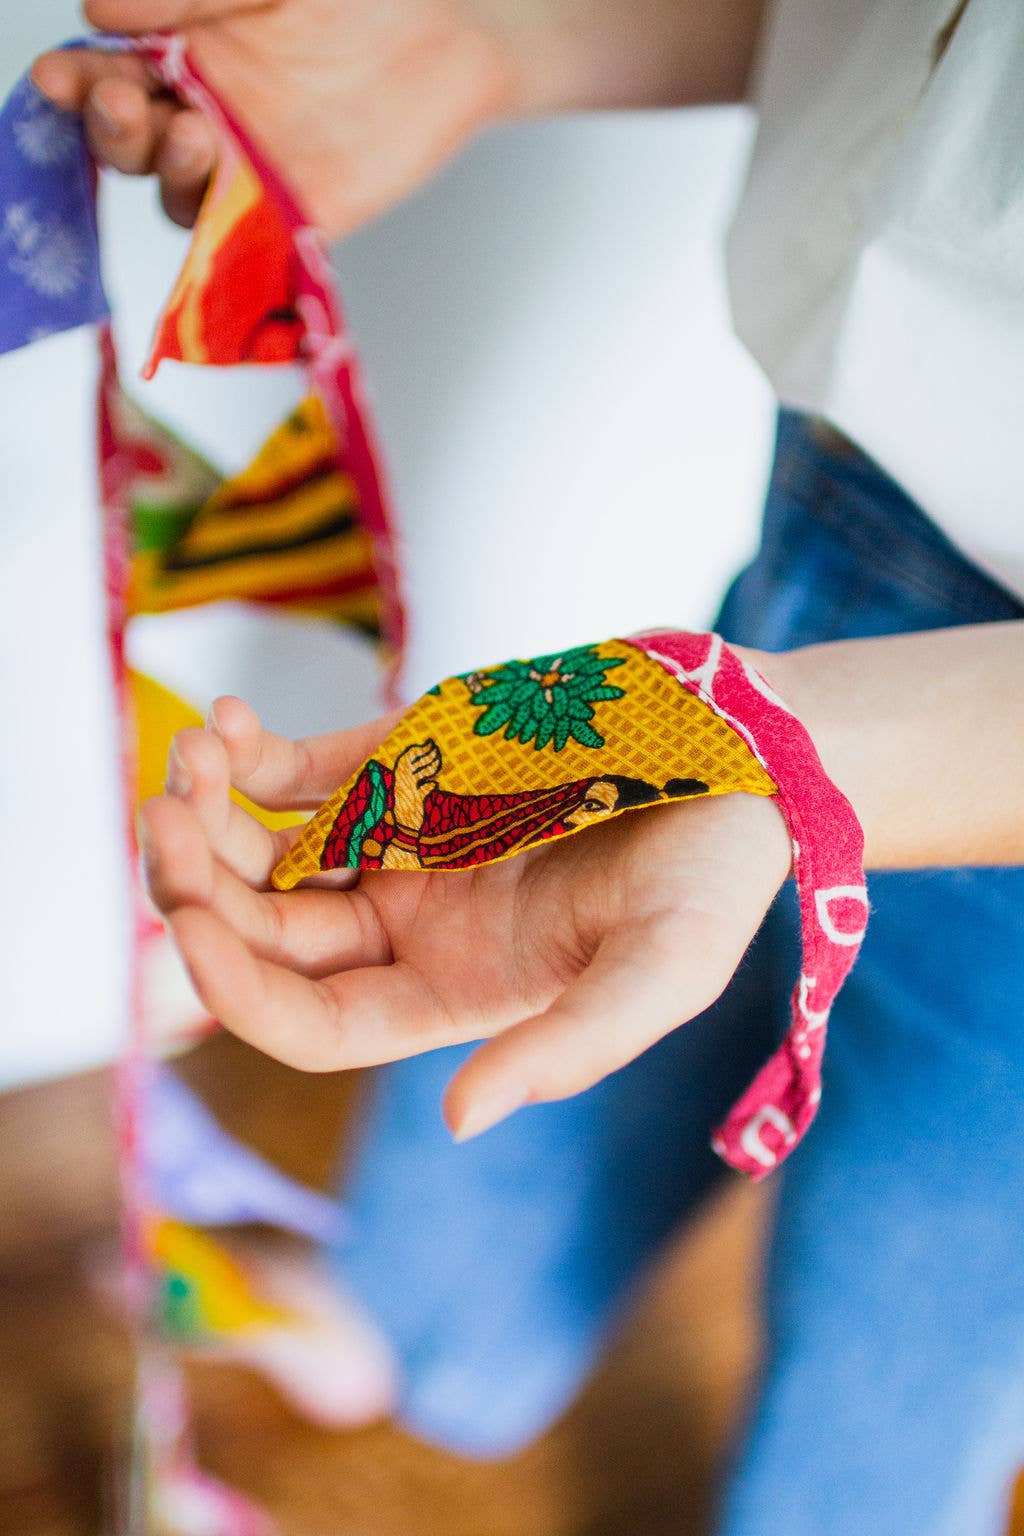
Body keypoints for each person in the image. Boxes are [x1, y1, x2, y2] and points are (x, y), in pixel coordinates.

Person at [35, 2, 1024, 1531]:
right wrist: (481, 46)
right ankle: (419, 1321)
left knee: (914, 1306)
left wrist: (789, 760)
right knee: (552, 975)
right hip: (833, 511)